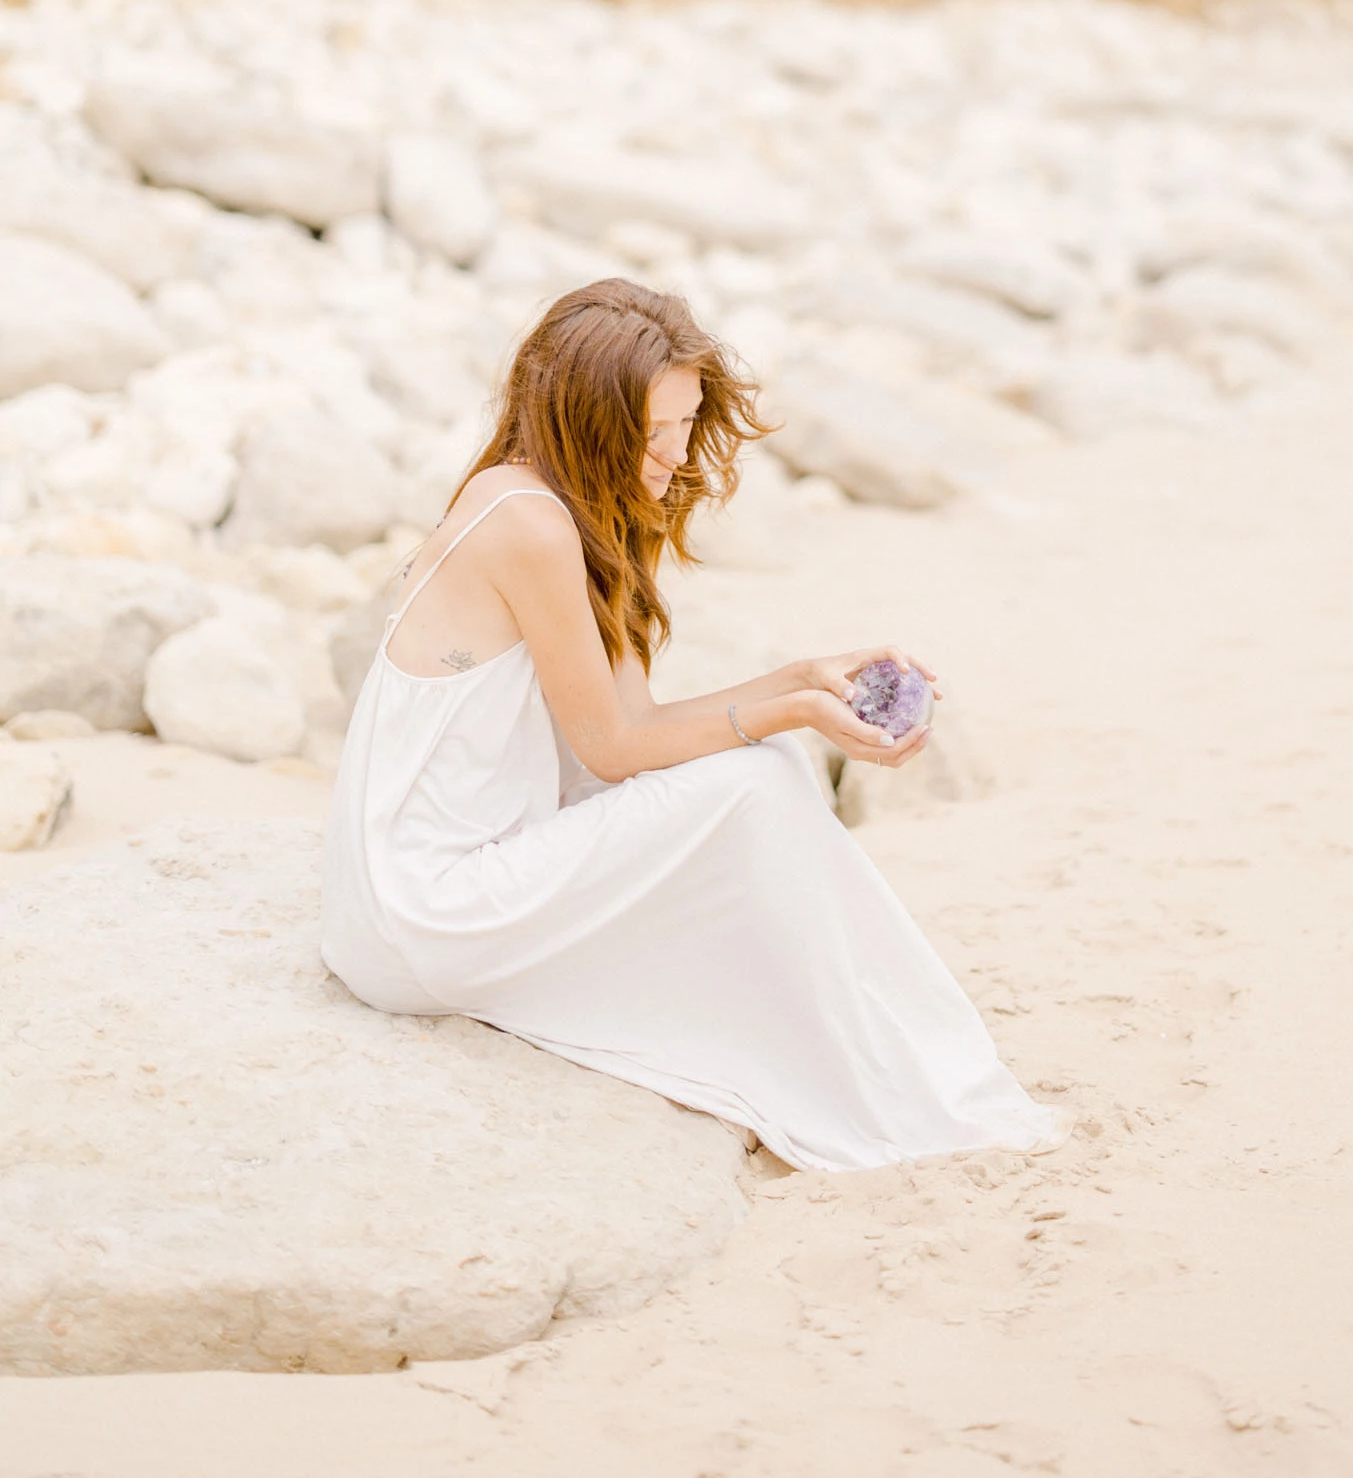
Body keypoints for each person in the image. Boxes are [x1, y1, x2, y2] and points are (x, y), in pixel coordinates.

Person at [322, 276, 1049, 1171]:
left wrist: (800, 682)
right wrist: (788, 711)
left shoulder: (567, 510)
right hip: (423, 914)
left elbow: (634, 726)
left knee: (768, 766)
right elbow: (616, 751)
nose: (672, 455)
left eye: (682, 425)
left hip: (446, 890)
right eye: (652, 431)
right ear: (587, 423)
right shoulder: (528, 525)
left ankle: (873, 1050)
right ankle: (879, 1067)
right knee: (756, 778)